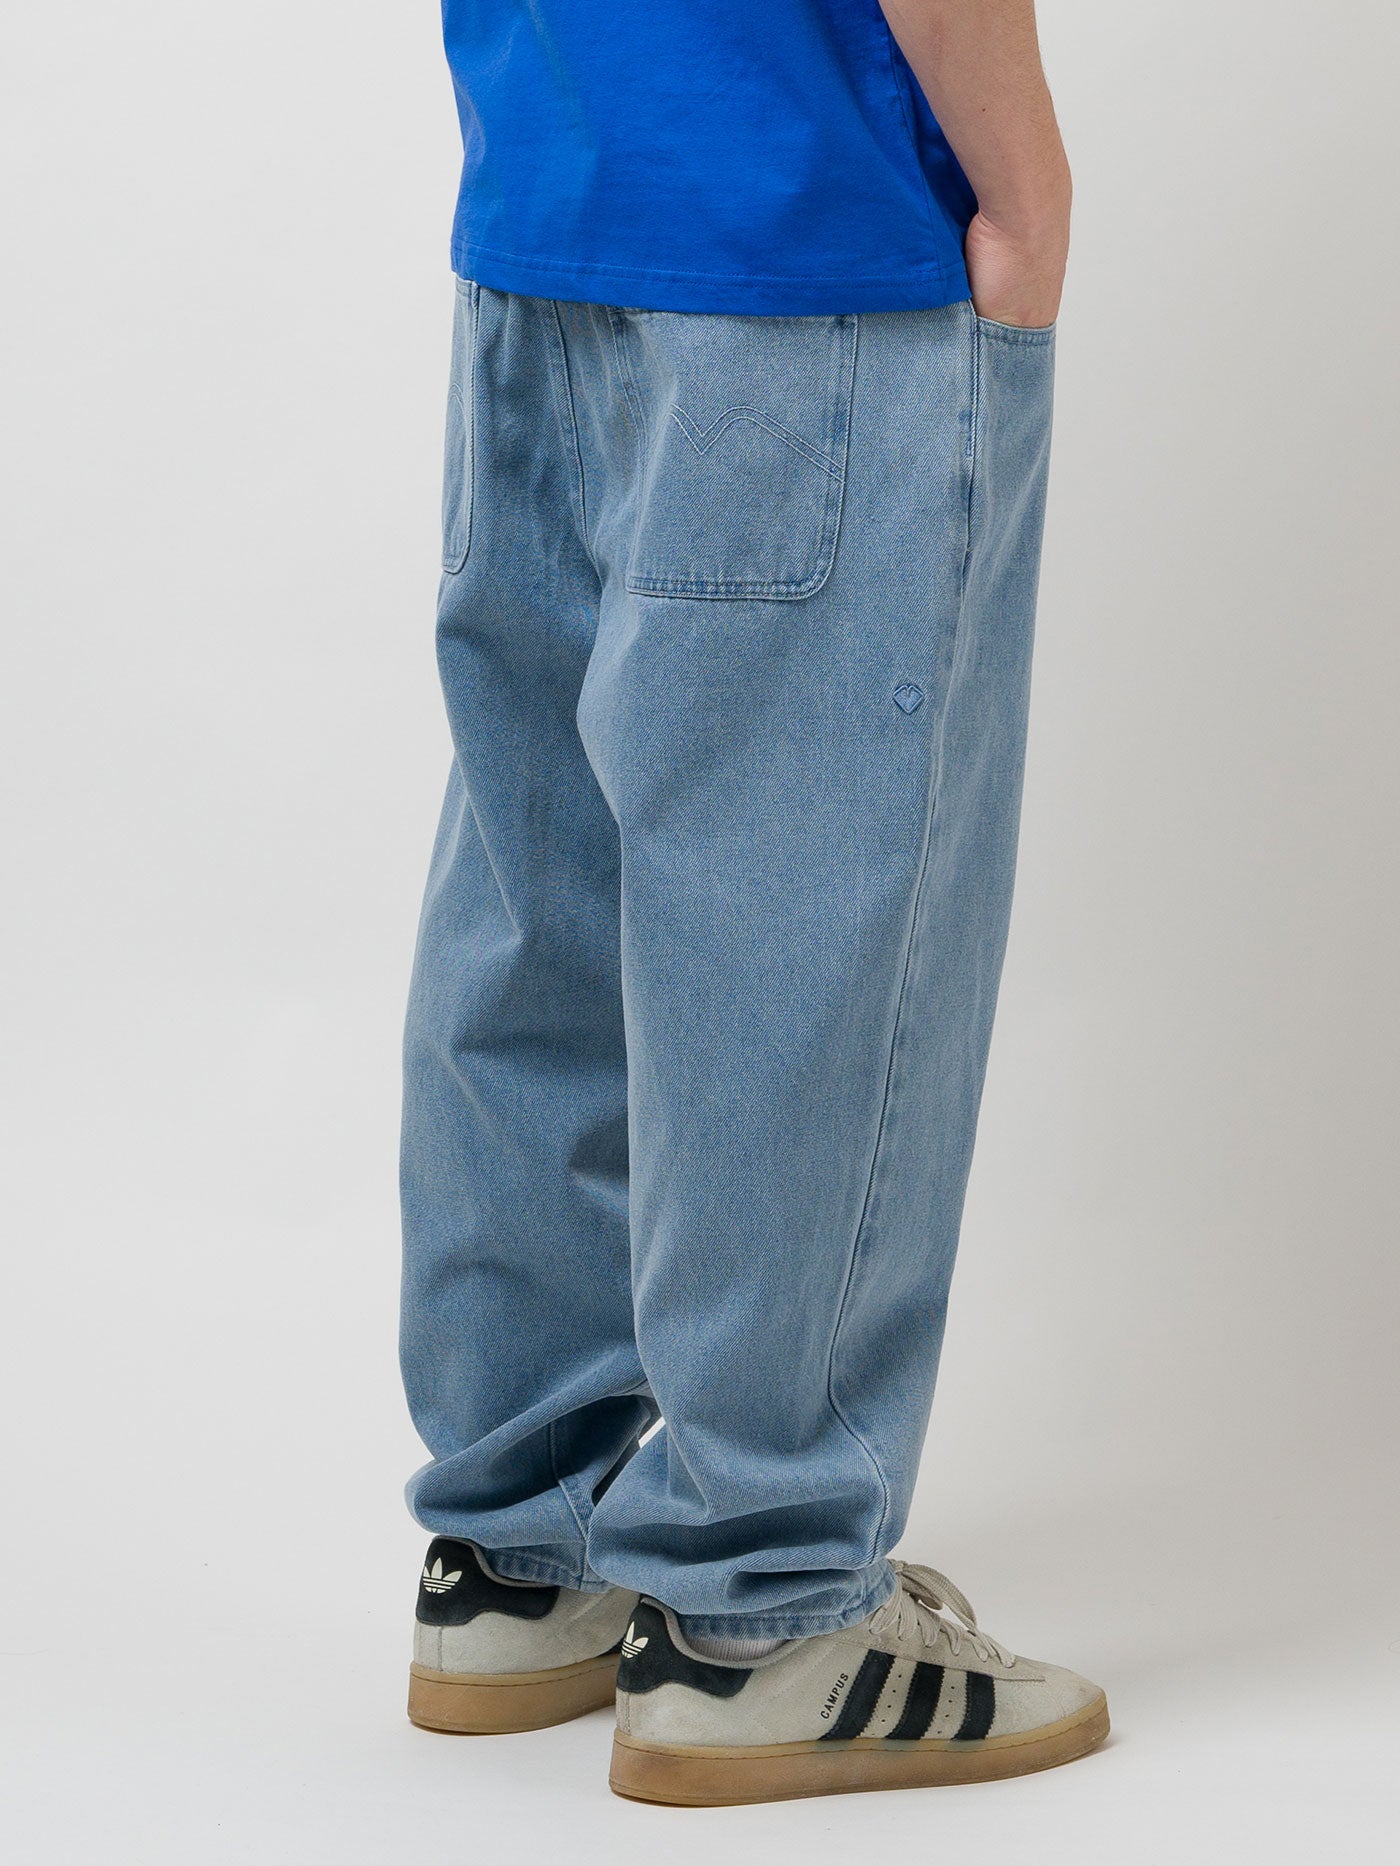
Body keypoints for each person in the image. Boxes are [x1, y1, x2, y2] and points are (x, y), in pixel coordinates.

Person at [398, 0, 1106, 1806]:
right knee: (802, 920)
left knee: (539, 897)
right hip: (808, 236)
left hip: (544, 215)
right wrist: (1027, 190)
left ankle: (520, 1553)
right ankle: (761, 1610)